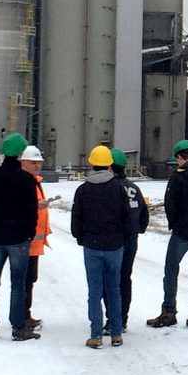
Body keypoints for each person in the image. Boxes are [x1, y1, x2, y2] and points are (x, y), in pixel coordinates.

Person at [0, 132, 40, 341]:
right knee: (18, 284)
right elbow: (32, 212)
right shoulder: (26, 180)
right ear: (21, 154)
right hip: (19, 240)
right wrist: (28, 233)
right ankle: (18, 327)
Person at [71, 145, 130, 349]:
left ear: (92, 164)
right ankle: (116, 334)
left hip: (93, 246)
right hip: (115, 247)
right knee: (114, 289)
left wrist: (81, 237)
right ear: (109, 165)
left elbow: (76, 218)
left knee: (94, 291)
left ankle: (96, 335)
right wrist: (121, 238)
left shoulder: (83, 190)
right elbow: (127, 217)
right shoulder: (119, 189)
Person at [146, 139, 188, 329]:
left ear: (180, 157)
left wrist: (175, 223)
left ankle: (169, 312)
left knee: (171, 271)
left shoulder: (178, 177)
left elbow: (170, 203)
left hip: (182, 232)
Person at [103, 147, 149, 332]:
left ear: (109, 167)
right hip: (131, 240)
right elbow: (144, 217)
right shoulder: (134, 188)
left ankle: (112, 319)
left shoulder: (109, 188)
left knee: (110, 281)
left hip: (113, 240)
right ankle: (122, 319)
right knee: (124, 279)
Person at [20, 145, 52, 331]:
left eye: (38, 162)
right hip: (26, 241)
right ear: (23, 162)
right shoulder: (25, 183)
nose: (37, 165)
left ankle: (25, 314)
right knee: (24, 281)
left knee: (29, 280)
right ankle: (22, 317)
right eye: (33, 162)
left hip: (34, 243)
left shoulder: (36, 182)